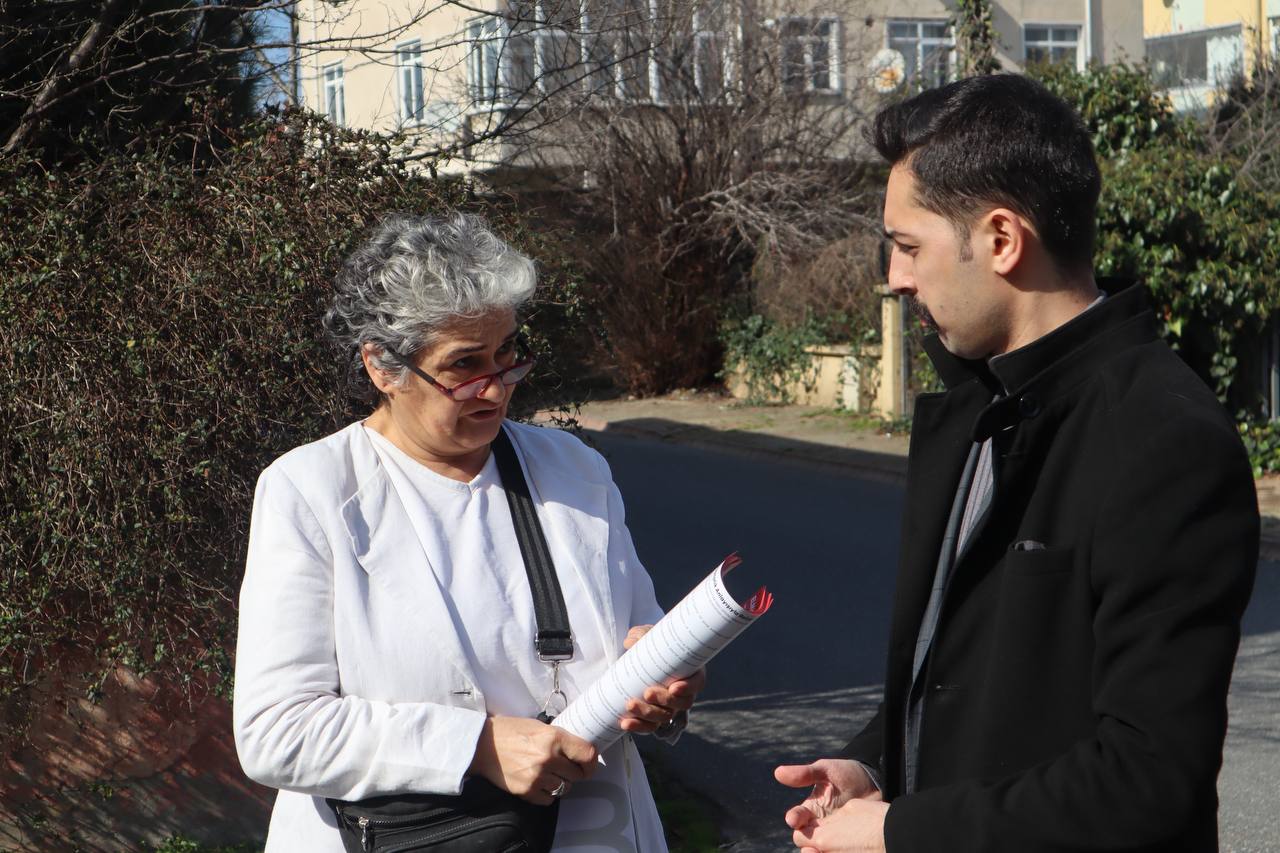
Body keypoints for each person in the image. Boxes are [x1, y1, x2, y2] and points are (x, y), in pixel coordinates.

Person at [775, 73, 1258, 852]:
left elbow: (1148, 780)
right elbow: (972, 680)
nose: (894, 278)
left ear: (1002, 239)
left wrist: (900, 829)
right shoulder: (974, 404)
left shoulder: (1165, 439)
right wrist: (875, 763)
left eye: (907, 247)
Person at [233, 212, 704, 852]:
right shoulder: (311, 490)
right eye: (464, 365)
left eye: (507, 352)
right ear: (381, 366)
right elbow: (276, 732)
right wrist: (476, 747)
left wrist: (662, 684)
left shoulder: (574, 472)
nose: (496, 387)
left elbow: (636, 637)